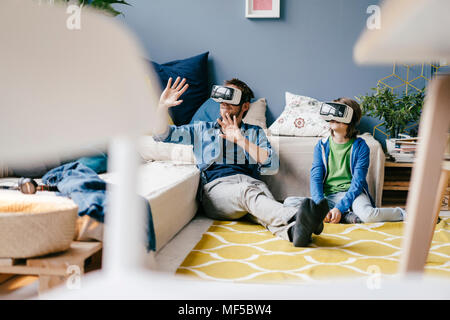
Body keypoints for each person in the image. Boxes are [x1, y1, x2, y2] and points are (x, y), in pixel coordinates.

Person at [153, 76, 328, 246]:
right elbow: (162, 134)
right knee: (247, 193)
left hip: (253, 186)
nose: (224, 101)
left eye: (231, 97)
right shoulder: (202, 129)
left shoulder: (254, 132)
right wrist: (162, 107)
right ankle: (299, 215)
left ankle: (294, 233)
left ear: (245, 106)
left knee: (264, 212)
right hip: (217, 189)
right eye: (222, 96)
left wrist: (241, 140)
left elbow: (271, 164)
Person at [309, 97, 406, 224]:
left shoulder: (361, 147)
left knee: (369, 215)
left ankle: (403, 213)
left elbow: (358, 182)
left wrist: (339, 207)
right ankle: (348, 216)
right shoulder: (321, 146)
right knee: (290, 202)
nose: (333, 116)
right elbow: (315, 178)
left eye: (339, 113)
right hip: (329, 196)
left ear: (350, 120)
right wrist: (320, 205)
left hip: (353, 195)